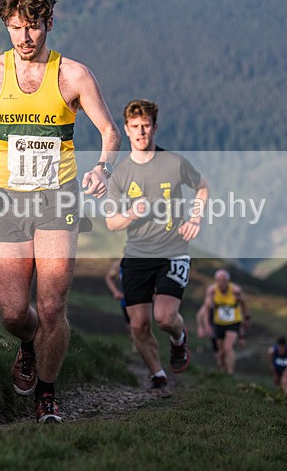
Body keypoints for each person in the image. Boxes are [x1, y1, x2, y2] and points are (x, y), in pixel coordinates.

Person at [0, 0, 120, 423]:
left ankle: (47, 394)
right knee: (13, 313)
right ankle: (28, 345)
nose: (24, 37)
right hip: (8, 202)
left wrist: (102, 169)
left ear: (49, 23)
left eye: (32, 27)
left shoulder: (74, 75)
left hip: (58, 199)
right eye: (15, 28)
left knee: (51, 307)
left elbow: (110, 132)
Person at [105, 99, 209, 393]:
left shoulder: (174, 163)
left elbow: (202, 187)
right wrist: (131, 214)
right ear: (126, 129)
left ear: (155, 127)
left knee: (164, 318)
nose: (141, 132)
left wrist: (195, 218)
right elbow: (111, 222)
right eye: (135, 126)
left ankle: (179, 339)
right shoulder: (120, 173)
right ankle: (158, 375)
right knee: (138, 325)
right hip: (136, 256)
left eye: (146, 126)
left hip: (172, 252)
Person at [197, 269, 250, 375]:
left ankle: (230, 372)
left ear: (227, 280)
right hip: (218, 323)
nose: (221, 283)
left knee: (228, 348)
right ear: (216, 280)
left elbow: (244, 303)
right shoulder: (212, 290)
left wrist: (246, 318)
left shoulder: (235, 290)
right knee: (220, 351)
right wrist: (206, 325)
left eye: (223, 280)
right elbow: (206, 308)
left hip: (233, 322)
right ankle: (221, 370)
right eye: (219, 280)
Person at [104, 258, 134, 345]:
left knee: (140, 326)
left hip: (141, 301)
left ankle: (139, 347)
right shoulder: (120, 264)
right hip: (126, 301)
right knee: (130, 328)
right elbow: (109, 277)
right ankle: (135, 347)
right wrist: (116, 292)